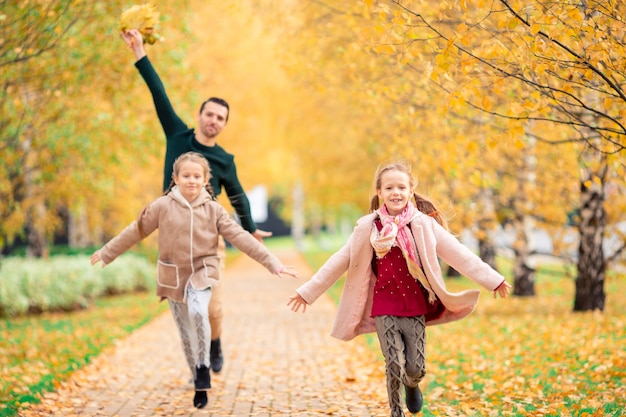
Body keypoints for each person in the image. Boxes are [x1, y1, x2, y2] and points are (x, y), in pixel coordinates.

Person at [287, 160, 511, 416]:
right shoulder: (367, 228)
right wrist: (308, 292)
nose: (396, 192)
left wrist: (494, 279)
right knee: (393, 363)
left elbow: (459, 254)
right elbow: (339, 259)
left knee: (416, 367)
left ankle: (412, 384)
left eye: (401, 187)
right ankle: (396, 411)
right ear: (379, 193)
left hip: (415, 304)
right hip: (384, 306)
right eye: (389, 187)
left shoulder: (424, 225)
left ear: (410, 191)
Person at [91, 152, 297, 409]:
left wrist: (272, 263)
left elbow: (241, 237)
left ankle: (202, 371)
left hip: (203, 272)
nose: (191, 180)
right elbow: (137, 230)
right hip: (172, 276)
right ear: (175, 178)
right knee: (185, 333)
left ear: (205, 179)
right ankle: (196, 370)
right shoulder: (161, 206)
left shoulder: (214, 209)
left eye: (196, 176)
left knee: (200, 312)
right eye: (186, 176)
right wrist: (107, 252)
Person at [120, 28, 272, 373]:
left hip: (207, 239)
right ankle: (200, 351)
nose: (214, 121)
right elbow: (158, 94)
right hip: (172, 236)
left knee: (211, 308)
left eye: (220, 118)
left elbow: (238, 196)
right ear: (200, 115)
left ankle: (215, 343)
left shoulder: (224, 161)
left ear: (224, 125)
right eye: (210, 114)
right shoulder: (177, 133)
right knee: (186, 308)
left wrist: (250, 229)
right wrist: (139, 52)